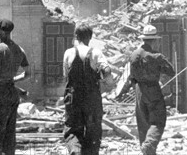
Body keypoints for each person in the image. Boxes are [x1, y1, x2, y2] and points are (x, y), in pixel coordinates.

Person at [118, 25, 175, 155]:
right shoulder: (156, 56)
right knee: (158, 120)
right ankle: (149, 145)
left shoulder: (134, 55)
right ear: (154, 40)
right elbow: (170, 70)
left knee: (143, 121)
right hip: (153, 89)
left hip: (139, 89)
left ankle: (146, 149)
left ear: (143, 39)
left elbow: (131, 76)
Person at [0, 19, 31, 155]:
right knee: (9, 133)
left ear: (0, 32)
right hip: (12, 94)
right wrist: (12, 79)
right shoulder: (19, 49)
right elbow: (28, 74)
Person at [62, 22, 111, 155]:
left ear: (76, 37)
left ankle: (75, 152)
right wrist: (104, 80)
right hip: (91, 99)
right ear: (90, 37)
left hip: (74, 98)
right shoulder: (96, 53)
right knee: (93, 130)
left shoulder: (68, 53)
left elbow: (66, 76)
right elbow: (106, 70)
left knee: (73, 130)